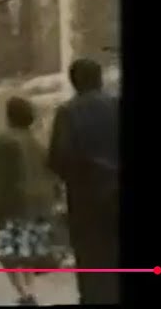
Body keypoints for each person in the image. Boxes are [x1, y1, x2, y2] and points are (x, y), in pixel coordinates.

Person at [48, 59, 119, 305]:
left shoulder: (67, 112)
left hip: (84, 197)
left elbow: (59, 157)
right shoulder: (115, 105)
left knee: (91, 258)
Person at [0, 97, 61, 306]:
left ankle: (24, 294)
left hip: (13, 205)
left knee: (7, 253)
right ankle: (29, 292)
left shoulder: (4, 141)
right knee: (26, 254)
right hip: (38, 206)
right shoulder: (37, 143)